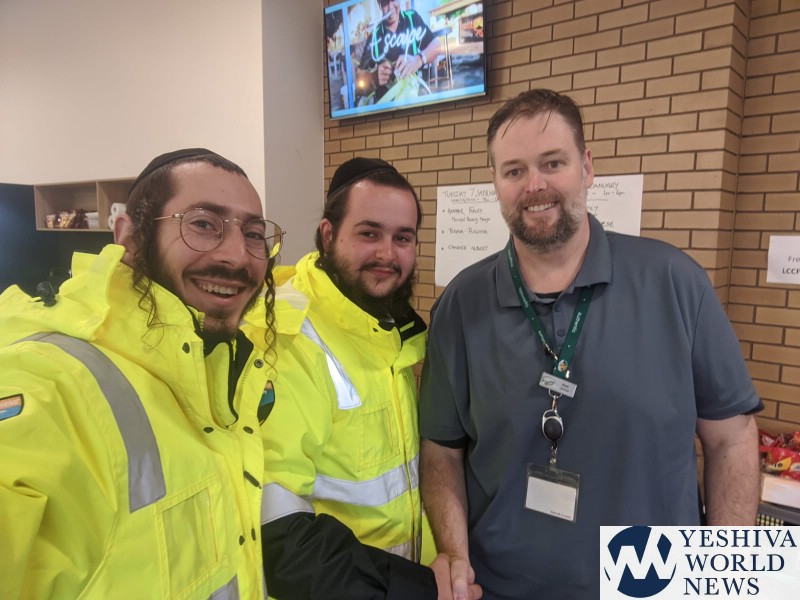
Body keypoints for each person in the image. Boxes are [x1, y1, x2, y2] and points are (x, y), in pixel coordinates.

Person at [418, 89, 763, 600]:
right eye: (513, 171)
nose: (535, 185)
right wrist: (455, 557)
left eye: (552, 163)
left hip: (652, 585)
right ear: (496, 183)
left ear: (586, 167)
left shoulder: (674, 282)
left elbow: (731, 439)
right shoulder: (461, 304)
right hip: (501, 586)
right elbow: (441, 451)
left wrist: (725, 580)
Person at [0, 148, 283, 599]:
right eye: (203, 224)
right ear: (129, 237)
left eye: (252, 234)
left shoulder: (228, 366)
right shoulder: (51, 384)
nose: (237, 256)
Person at [250, 158, 481, 599]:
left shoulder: (395, 331)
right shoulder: (287, 340)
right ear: (328, 235)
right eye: (369, 234)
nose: (387, 254)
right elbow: (278, 534)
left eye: (402, 238)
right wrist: (417, 589)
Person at [357, 0, 441, 86]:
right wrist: (373, 77)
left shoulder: (412, 18)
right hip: (387, 94)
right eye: (385, 3)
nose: (390, 7)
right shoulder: (374, 36)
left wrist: (418, 60)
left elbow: (437, 45)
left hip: (413, 91)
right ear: (380, 4)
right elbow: (359, 76)